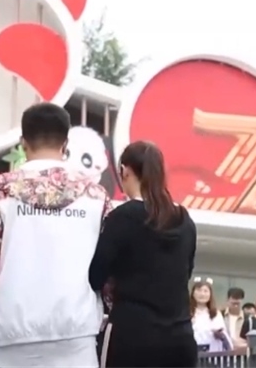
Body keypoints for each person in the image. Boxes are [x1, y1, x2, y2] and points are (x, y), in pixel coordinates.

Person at [0, 103, 110, 368]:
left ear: (23, 142)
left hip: (8, 343)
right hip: (77, 339)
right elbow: (109, 268)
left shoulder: (0, 191)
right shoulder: (96, 196)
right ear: (65, 144)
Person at [88, 140, 198, 367]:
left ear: (125, 171)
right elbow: (185, 273)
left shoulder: (122, 217)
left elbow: (95, 276)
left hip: (132, 337)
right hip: (180, 340)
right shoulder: (184, 220)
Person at [190, 278, 230, 353]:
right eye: (199, 290)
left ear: (210, 294)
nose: (202, 294)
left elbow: (222, 331)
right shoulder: (187, 312)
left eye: (205, 291)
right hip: (191, 350)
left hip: (212, 351)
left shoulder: (215, 313)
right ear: (193, 293)